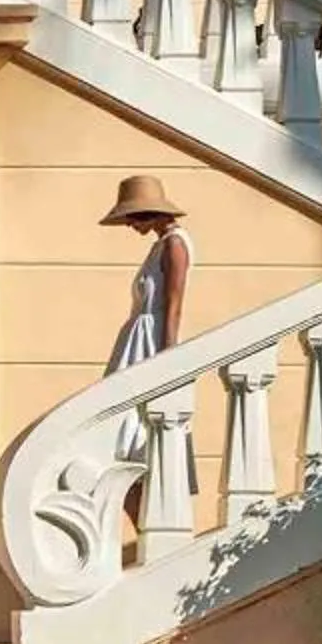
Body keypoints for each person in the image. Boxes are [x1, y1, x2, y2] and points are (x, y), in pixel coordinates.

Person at [100, 174, 192, 457]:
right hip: (137, 340)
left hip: (151, 342)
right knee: (121, 427)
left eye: (133, 218)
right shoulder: (161, 244)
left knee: (137, 427)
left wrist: (167, 357)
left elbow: (174, 303)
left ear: (148, 214)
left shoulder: (175, 244)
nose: (129, 224)